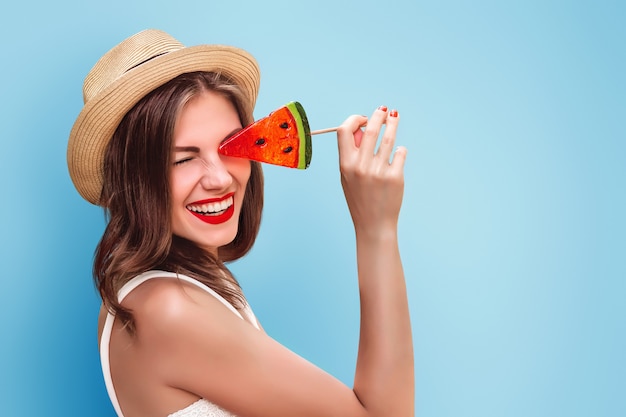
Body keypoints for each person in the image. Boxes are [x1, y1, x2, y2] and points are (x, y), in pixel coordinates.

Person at [67, 29, 414, 417]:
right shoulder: (172, 310)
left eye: (233, 146)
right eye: (183, 159)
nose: (220, 178)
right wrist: (376, 226)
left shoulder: (171, 288)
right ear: (133, 178)